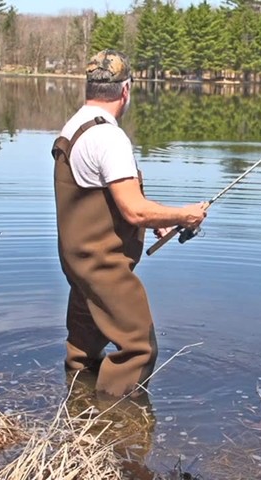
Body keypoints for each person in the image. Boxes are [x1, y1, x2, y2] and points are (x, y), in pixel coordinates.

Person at [52, 49, 207, 398]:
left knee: (83, 350)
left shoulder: (75, 125)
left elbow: (104, 198)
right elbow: (133, 210)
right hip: (104, 266)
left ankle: (77, 417)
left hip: (78, 262)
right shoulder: (109, 137)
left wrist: (156, 221)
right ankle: (117, 428)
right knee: (138, 348)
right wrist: (185, 214)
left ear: (89, 86)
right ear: (126, 90)